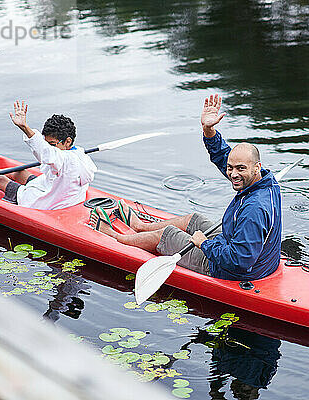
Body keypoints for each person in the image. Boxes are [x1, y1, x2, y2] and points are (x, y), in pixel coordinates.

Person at [90, 94, 281, 281]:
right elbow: (226, 158)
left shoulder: (253, 210)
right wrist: (209, 131)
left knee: (167, 235)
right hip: (253, 257)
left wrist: (204, 244)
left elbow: (239, 261)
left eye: (240, 169)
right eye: (231, 168)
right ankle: (140, 227)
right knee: (194, 220)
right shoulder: (265, 182)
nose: (232, 174)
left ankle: (116, 237)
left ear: (256, 167)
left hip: (233, 271)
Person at [0, 101, 97, 210]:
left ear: (67, 141)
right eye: (46, 142)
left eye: (52, 144)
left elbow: (47, 154)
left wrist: (25, 128)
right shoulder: (78, 152)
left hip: (45, 203)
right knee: (18, 172)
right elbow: (48, 154)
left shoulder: (66, 158)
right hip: (50, 189)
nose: (49, 147)